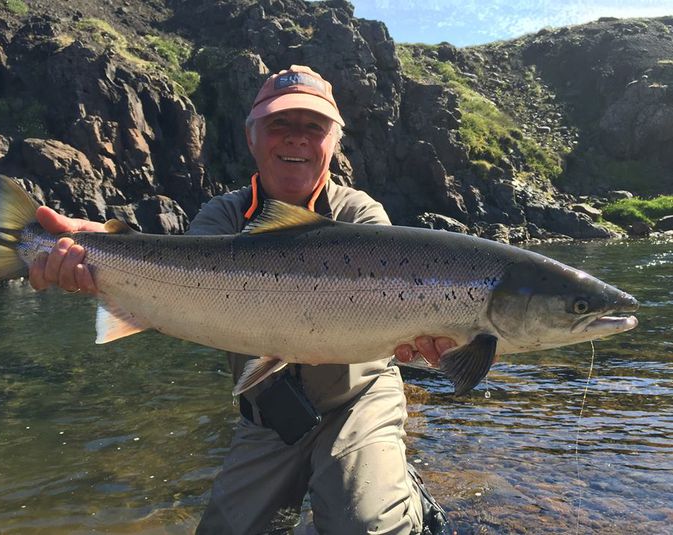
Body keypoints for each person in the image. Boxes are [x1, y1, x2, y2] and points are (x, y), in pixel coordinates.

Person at [29, 65, 456, 535]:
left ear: (333, 144)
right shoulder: (222, 216)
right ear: (252, 138)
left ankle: (397, 489)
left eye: (313, 128)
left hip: (357, 399)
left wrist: (429, 336)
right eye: (280, 125)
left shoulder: (360, 214)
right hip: (268, 410)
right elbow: (175, 281)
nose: (296, 139)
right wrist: (99, 258)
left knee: (364, 524)